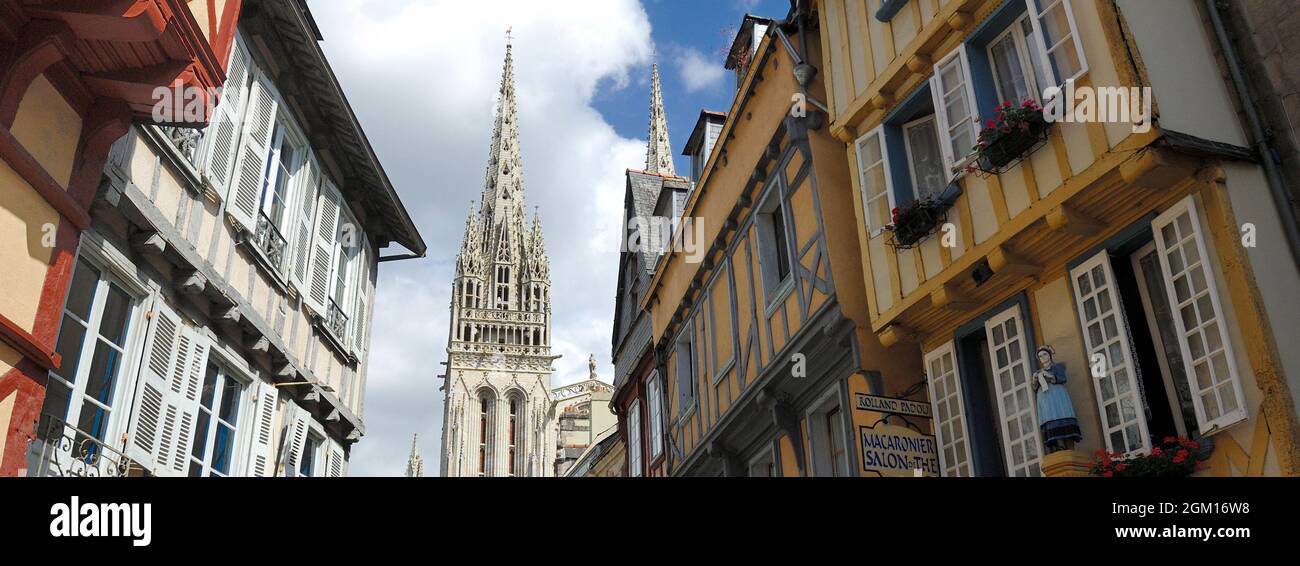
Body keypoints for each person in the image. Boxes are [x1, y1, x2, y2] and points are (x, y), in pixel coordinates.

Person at [1031, 345, 1082, 453]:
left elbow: (1062, 378)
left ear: (1049, 355)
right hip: (1046, 400)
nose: (1043, 357)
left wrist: (1049, 376)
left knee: (1062, 416)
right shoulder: (1039, 371)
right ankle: (1060, 446)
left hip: (1057, 396)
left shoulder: (1057, 367)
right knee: (1051, 420)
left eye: (1044, 354)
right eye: (1040, 356)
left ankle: (1070, 447)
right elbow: (1034, 387)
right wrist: (1035, 379)